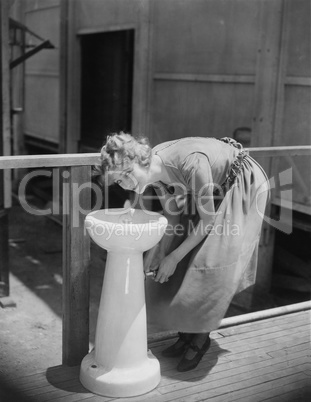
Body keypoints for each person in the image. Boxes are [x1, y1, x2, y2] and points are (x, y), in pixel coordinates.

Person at [94, 132, 269, 372]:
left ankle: (200, 338)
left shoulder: (191, 163)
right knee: (181, 239)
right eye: (119, 182)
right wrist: (158, 254)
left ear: (138, 162)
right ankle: (186, 334)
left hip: (244, 182)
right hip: (214, 186)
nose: (124, 186)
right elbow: (173, 215)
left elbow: (208, 220)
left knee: (213, 258)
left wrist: (173, 258)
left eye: (125, 177)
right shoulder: (155, 175)